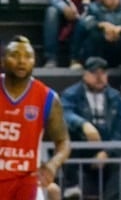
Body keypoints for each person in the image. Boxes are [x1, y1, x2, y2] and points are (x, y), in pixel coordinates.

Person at [0, 36, 70, 199]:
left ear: (34, 62)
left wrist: (53, 164)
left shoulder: (48, 98)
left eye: (27, 56)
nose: (21, 61)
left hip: (26, 181)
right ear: (2, 61)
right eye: (15, 55)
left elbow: (63, 141)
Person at [60, 56, 121, 200]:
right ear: (85, 74)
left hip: (106, 147)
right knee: (67, 145)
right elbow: (65, 113)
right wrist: (83, 124)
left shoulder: (116, 97)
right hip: (80, 146)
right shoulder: (71, 94)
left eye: (102, 73)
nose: (99, 77)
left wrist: (107, 152)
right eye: (94, 73)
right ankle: (72, 190)